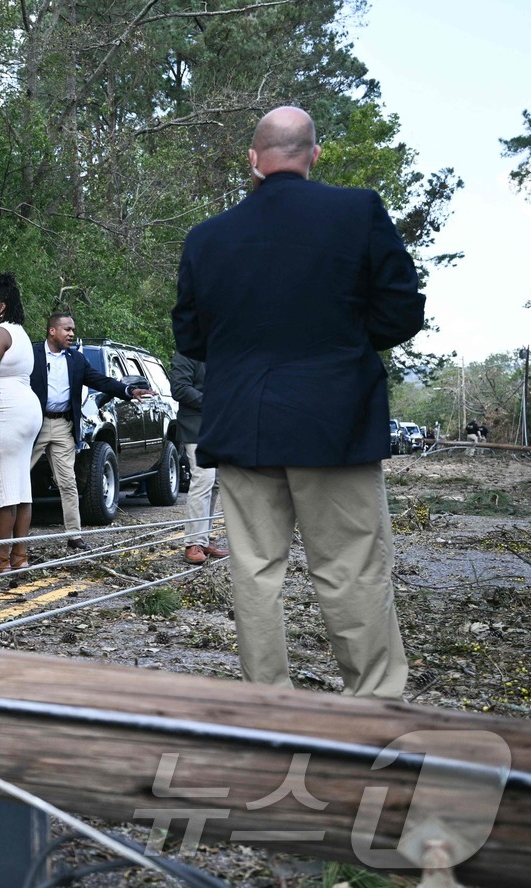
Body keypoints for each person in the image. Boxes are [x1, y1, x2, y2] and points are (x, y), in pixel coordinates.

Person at [172, 105, 424, 699]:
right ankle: (373, 711)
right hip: (332, 423)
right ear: (313, 155)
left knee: (254, 572)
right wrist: (341, 343)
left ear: (254, 161)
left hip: (244, 424)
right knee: (351, 569)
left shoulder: (208, 237)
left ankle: (270, 708)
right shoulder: (357, 211)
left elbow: (192, 336)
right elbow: (402, 310)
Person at [27, 313, 152, 549]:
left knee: (68, 482)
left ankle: (74, 536)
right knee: (19, 474)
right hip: (36, 425)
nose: (72, 334)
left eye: (73, 329)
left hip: (64, 426)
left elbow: (101, 381)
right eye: (67, 329)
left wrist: (128, 391)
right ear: (52, 331)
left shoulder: (76, 360)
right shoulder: (32, 355)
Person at [0, 274, 43, 573]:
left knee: (2, 486)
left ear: (1, 307)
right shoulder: (20, 332)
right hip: (25, 408)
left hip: (4, 409)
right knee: (20, 486)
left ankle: (0, 558)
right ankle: (20, 555)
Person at [170, 351, 227, 564]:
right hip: (196, 426)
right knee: (203, 479)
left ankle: (203, 540)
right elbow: (180, 389)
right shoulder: (186, 353)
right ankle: (192, 543)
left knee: (215, 482)